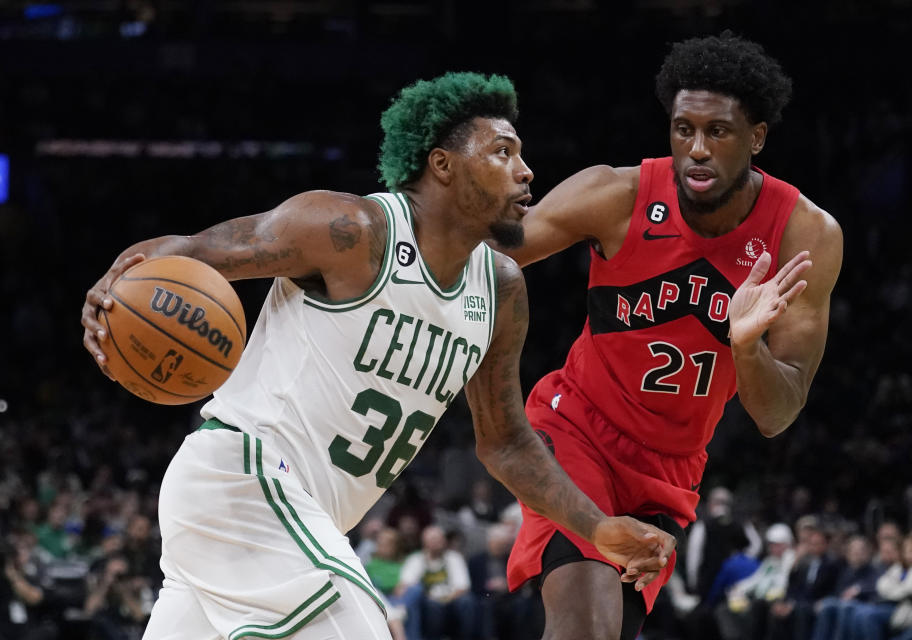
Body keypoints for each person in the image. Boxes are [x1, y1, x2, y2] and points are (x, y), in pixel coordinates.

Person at [80, 72, 675, 640]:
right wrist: (114, 287)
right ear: (442, 165)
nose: (526, 172)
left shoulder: (501, 287)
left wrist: (595, 527)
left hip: (290, 519)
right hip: (244, 480)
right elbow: (187, 255)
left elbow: (508, 443)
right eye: (502, 152)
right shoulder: (350, 230)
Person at [501, 32, 844, 640]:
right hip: (575, 426)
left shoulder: (805, 235)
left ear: (757, 137)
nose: (697, 150)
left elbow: (778, 414)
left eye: (719, 132)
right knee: (584, 627)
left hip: (668, 471)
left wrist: (747, 349)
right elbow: (490, 258)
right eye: (684, 128)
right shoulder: (618, 194)